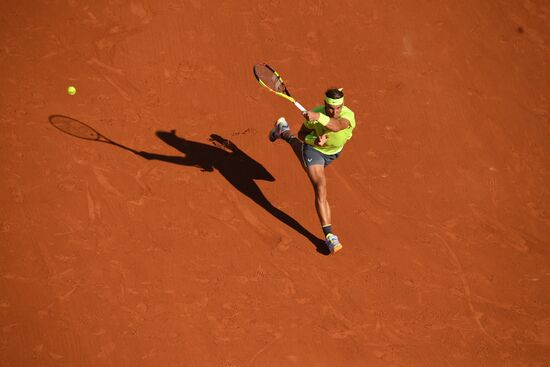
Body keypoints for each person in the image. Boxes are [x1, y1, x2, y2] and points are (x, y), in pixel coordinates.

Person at [268, 87, 356, 254]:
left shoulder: (347, 116)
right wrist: (314, 140)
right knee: (320, 186)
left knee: (301, 154)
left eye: (339, 107)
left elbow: (337, 126)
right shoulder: (315, 114)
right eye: (331, 108)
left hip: (333, 153)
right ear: (324, 104)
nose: (335, 111)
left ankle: (284, 131)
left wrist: (318, 117)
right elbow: (303, 135)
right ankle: (329, 236)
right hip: (314, 151)